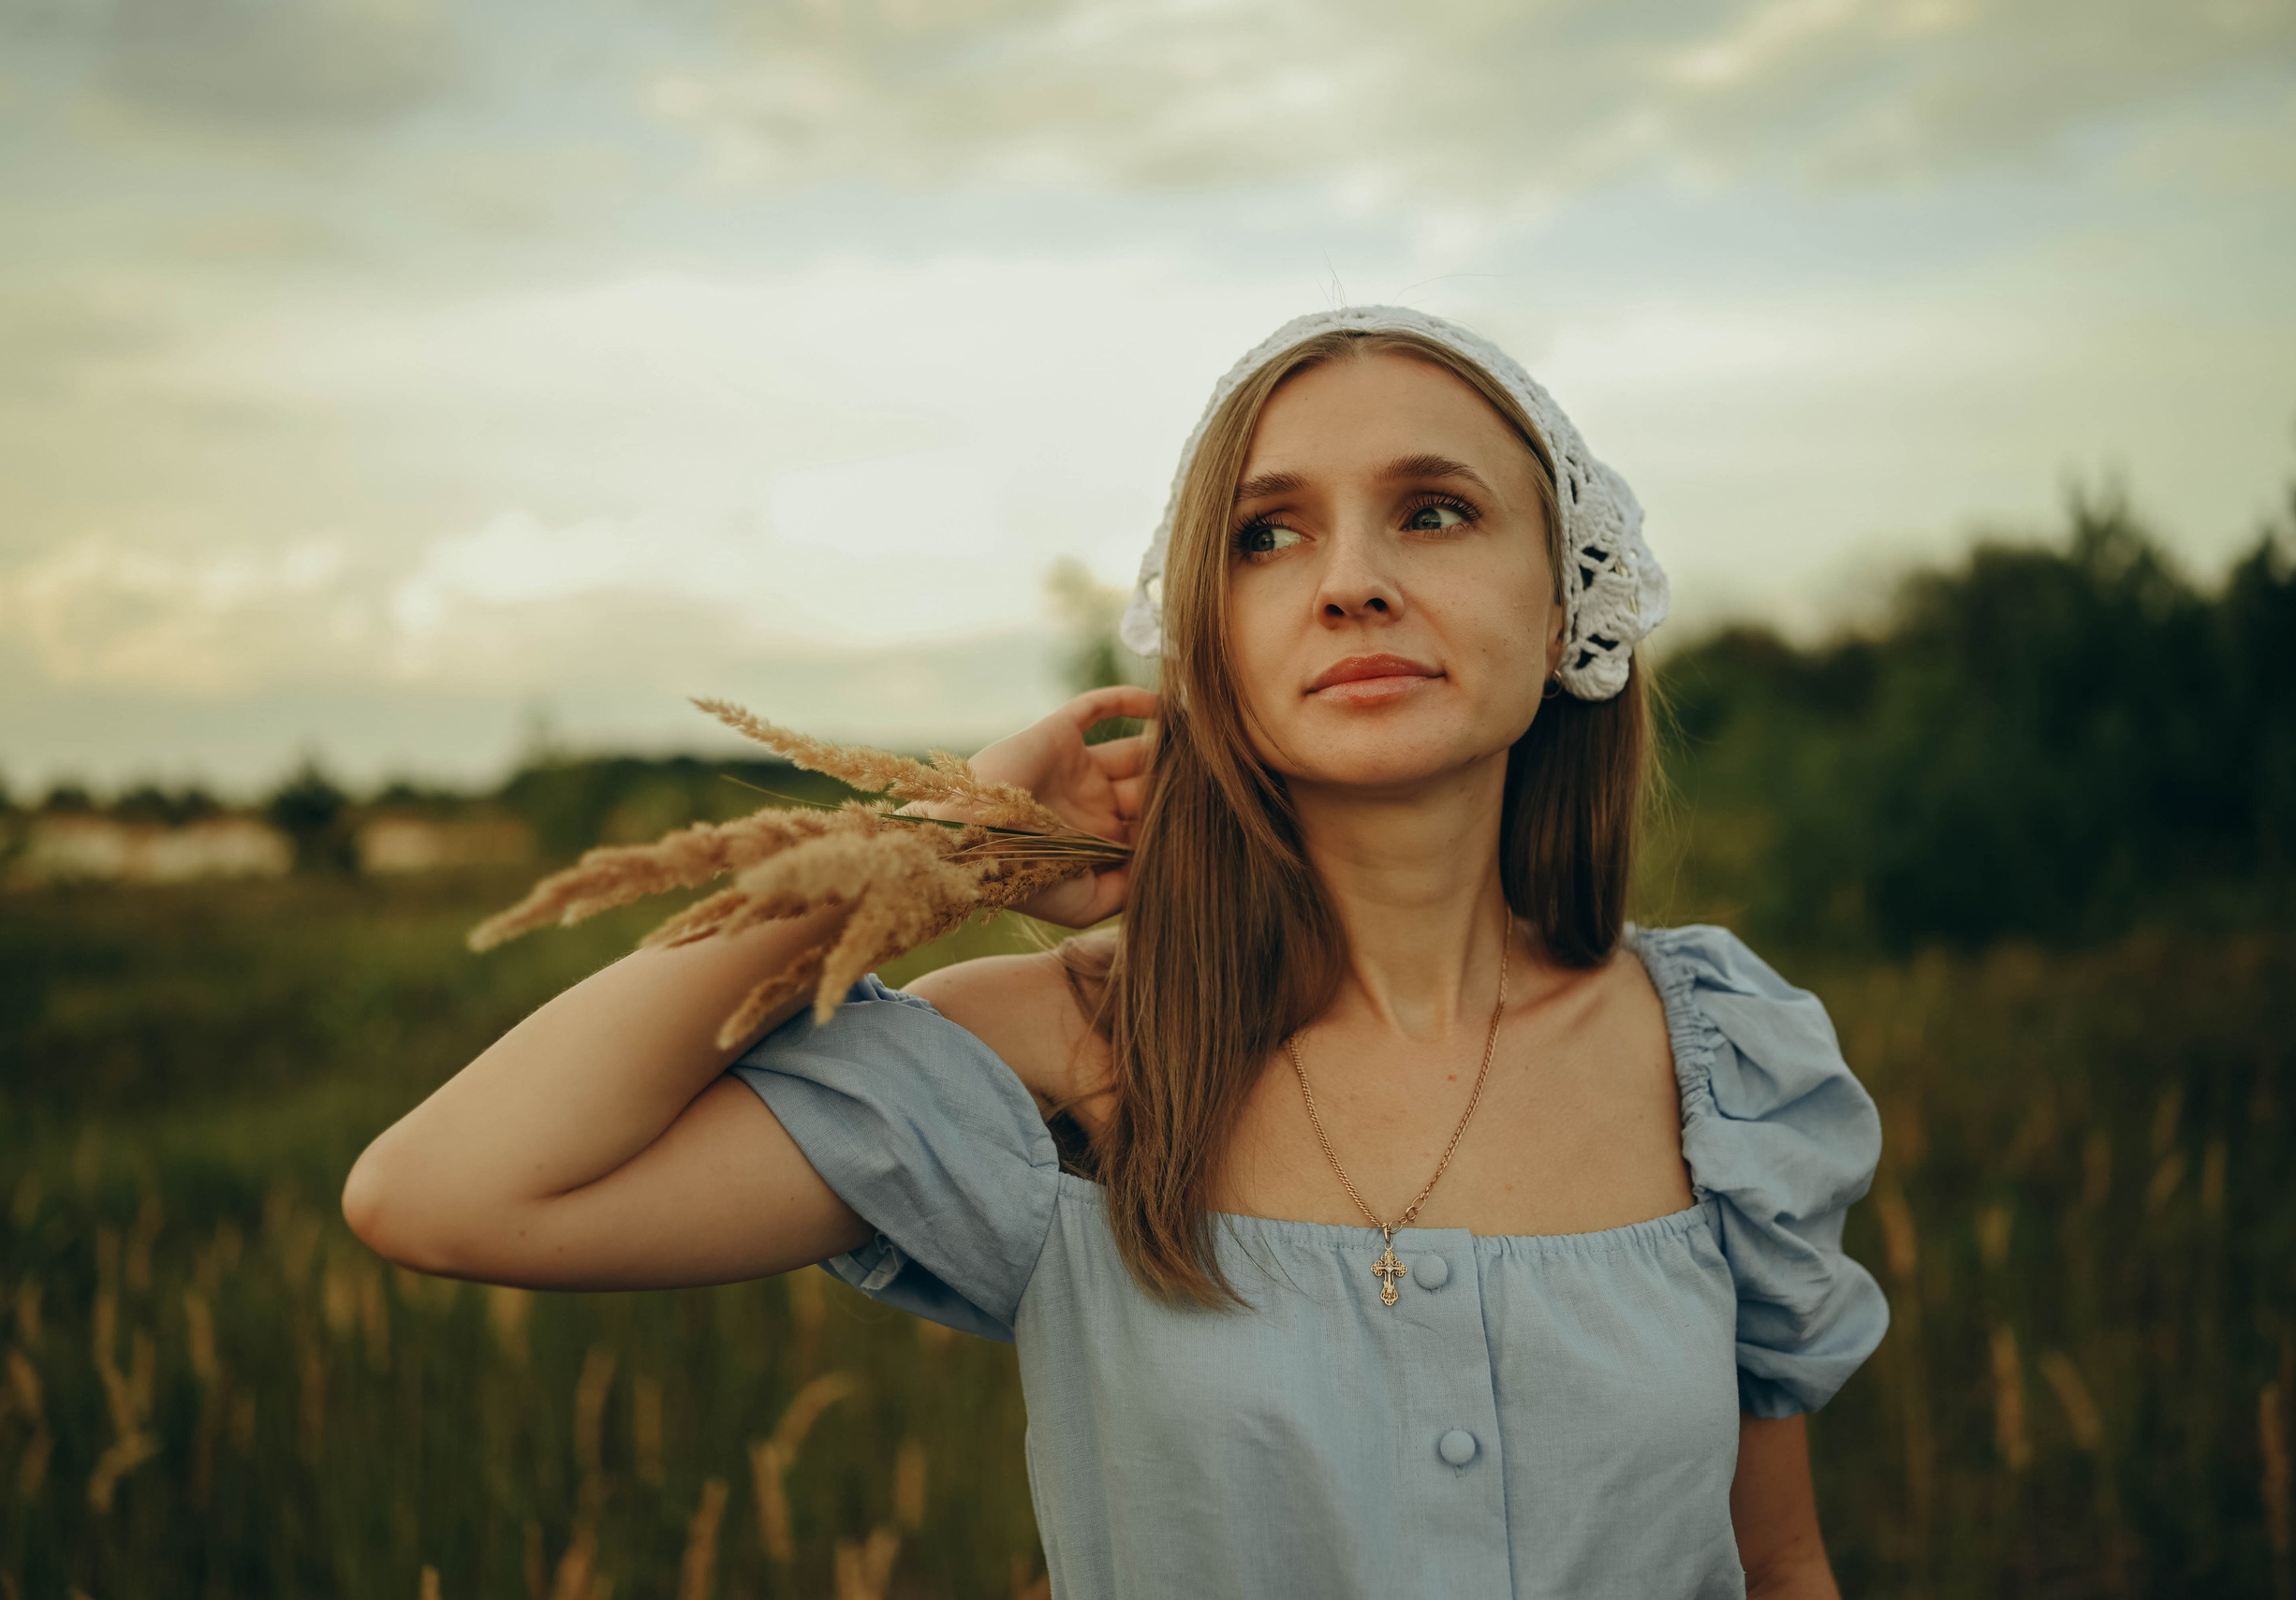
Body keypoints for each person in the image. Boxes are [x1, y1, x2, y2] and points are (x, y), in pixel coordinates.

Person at [344, 305, 1890, 1599]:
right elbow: (446, 1190)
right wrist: (939, 844)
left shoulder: (1720, 1062)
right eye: (1267, 534)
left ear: (1568, 609)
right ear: (1208, 642)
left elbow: (1783, 1565)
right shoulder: (1075, 1049)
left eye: (1435, 510)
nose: (1352, 576)